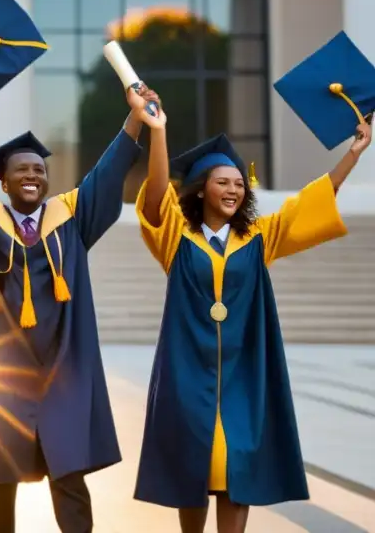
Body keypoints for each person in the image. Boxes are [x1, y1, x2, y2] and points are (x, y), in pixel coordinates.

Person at [0, 86, 160, 533]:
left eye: (39, 169)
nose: (32, 176)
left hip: (61, 371)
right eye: (21, 169)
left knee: (70, 480)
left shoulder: (70, 219)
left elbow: (105, 174)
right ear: (3, 182)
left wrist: (134, 120)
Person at [135, 119, 371, 532]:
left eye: (239, 184)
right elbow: (155, 196)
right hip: (188, 373)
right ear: (201, 188)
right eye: (223, 182)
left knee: (235, 468)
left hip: (243, 373)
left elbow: (310, 203)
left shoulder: (260, 237)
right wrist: (157, 131)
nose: (233, 190)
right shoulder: (176, 235)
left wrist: (353, 152)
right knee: (197, 465)